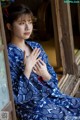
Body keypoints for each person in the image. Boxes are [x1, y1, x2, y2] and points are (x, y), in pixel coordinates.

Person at [3, 3, 80, 120]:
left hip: (54, 97)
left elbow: (54, 83)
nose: (28, 27)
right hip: (33, 108)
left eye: (29, 22)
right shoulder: (7, 55)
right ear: (9, 26)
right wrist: (27, 69)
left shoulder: (36, 46)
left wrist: (45, 75)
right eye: (21, 23)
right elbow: (17, 98)